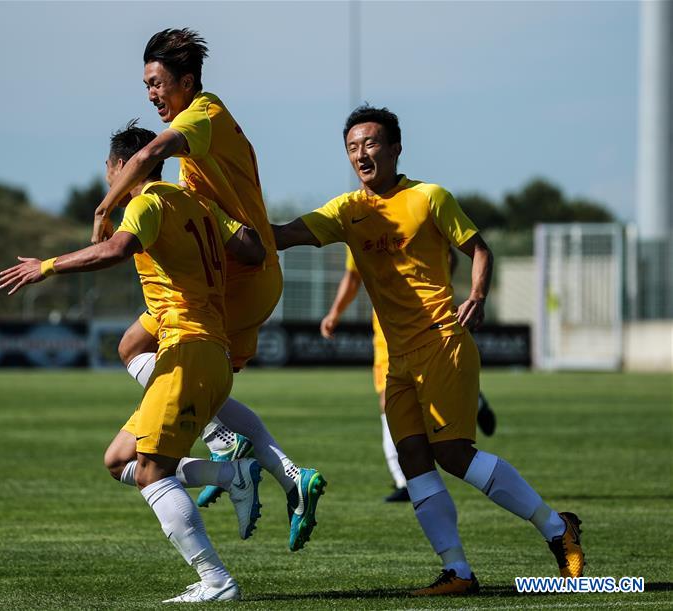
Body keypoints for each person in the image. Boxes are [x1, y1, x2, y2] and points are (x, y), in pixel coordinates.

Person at [273, 105, 584, 595]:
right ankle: (457, 570)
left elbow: (480, 248)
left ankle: (556, 528)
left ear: (396, 147)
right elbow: (282, 235)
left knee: (453, 454)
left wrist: (477, 296)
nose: (361, 154)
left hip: (442, 341)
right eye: (353, 147)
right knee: (413, 458)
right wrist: (227, 220)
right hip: (396, 358)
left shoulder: (430, 197)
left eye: (371, 144)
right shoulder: (346, 211)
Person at [0, 122, 269, 603]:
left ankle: (217, 582)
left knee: (150, 472)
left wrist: (46, 265)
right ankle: (231, 475)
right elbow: (251, 248)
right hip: (208, 351)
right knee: (119, 460)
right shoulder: (196, 203)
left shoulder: (147, 202)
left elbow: (118, 249)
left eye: (108, 167)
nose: (107, 176)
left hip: (187, 350)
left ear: (121, 166)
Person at [91, 28, 324, 552]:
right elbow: (236, 229)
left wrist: (107, 206)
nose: (151, 94)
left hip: (237, 286)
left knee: (172, 376)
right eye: (146, 85)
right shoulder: (200, 153)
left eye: (157, 83)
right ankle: (289, 476)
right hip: (244, 280)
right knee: (145, 353)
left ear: (187, 81)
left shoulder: (203, 116)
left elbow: (160, 146)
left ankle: (225, 447)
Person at [321, 247, 498, 503]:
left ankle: (474, 401)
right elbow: (353, 276)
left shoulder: (412, 213)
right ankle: (404, 480)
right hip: (388, 327)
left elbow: (453, 255)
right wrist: (335, 313)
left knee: (436, 403)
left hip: (426, 320)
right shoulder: (353, 220)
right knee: (388, 398)